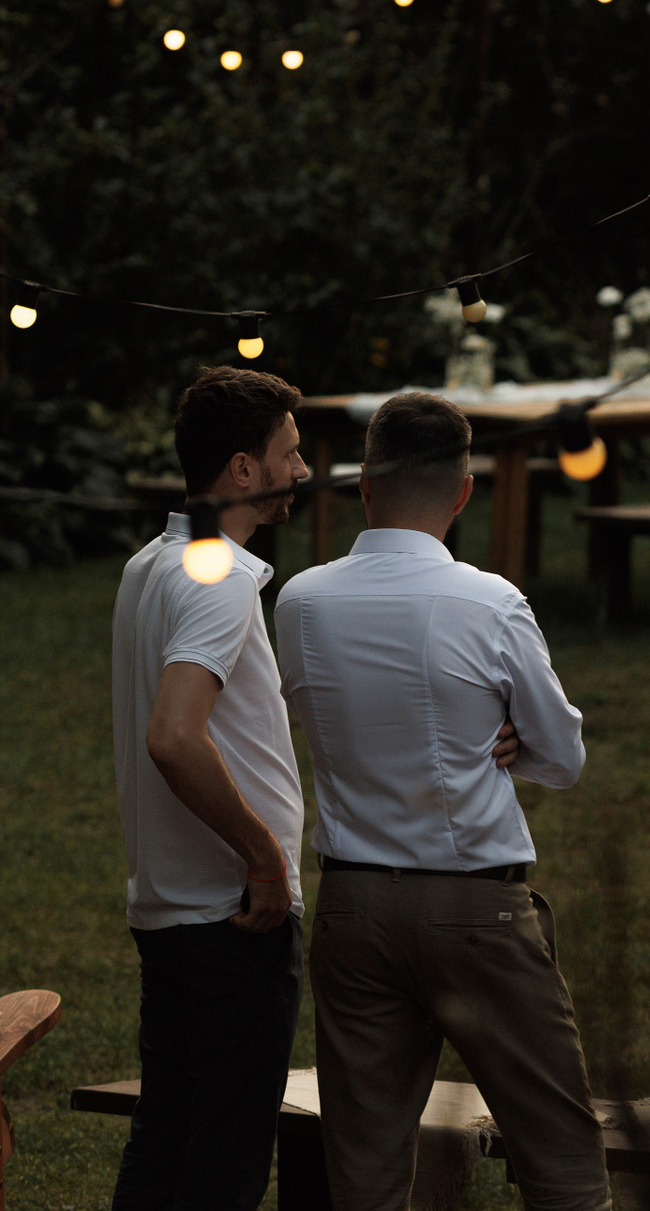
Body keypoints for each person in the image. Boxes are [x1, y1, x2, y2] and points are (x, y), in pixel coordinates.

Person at [274, 393, 606, 1210]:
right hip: (476, 910)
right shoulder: (489, 602)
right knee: (562, 1162)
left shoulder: (301, 601)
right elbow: (563, 758)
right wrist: (512, 738)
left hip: (353, 905)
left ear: (364, 483)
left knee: (365, 1174)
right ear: (463, 491)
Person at [109, 365, 311, 1209]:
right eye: (289, 453)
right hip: (230, 918)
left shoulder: (149, 563)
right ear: (242, 468)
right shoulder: (219, 577)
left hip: (171, 909)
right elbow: (174, 736)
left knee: (164, 1141)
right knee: (223, 1162)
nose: (302, 470)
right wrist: (263, 856)